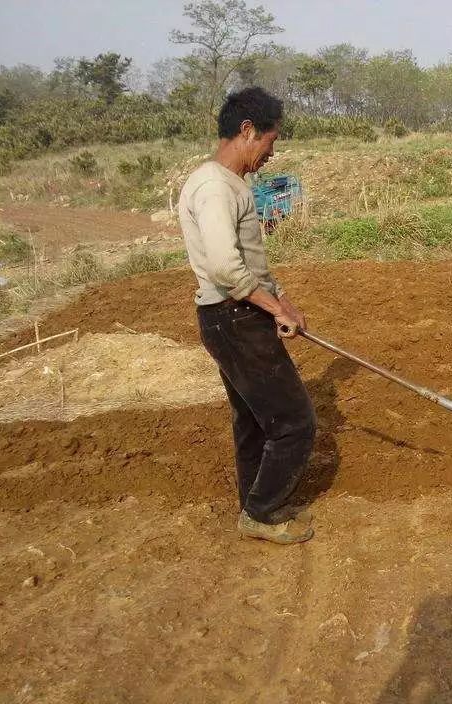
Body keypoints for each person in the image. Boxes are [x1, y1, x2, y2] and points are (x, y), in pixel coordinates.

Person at [178, 87, 316, 545]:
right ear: (247, 130)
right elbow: (224, 266)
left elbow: (247, 264)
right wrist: (276, 307)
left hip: (232, 316)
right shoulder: (215, 186)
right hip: (234, 318)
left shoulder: (224, 183)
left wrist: (281, 303)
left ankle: (253, 503)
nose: (270, 156)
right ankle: (261, 511)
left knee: (255, 419)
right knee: (295, 422)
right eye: (270, 144)